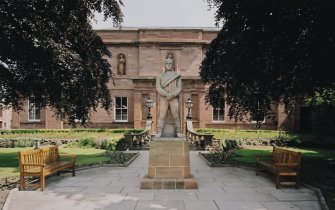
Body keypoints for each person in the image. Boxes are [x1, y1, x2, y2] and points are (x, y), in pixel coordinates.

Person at [156, 53, 183, 138]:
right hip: (164, 98)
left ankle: (178, 132)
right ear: (164, 65)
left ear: (172, 65)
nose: (168, 65)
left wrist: (172, 95)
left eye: (170, 64)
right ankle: (159, 132)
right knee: (161, 115)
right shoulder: (160, 76)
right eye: (167, 63)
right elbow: (158, 87)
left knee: (176, 115)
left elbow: (179, 88)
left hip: (173, 98)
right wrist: (166, 94)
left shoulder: (177, 76)